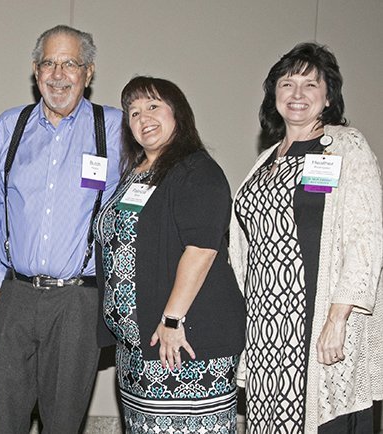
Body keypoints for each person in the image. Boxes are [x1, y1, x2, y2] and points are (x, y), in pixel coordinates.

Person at [0, 25, 122, 432]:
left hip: (78, 301)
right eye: (49, 64)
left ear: (88, 73)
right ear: (35, 71)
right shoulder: (10, 127)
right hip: (15, 296)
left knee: (63, 423)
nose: (58, 74)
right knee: (5, 420)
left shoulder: (116, 129)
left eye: (69, 63)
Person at [230, 42, 383, 433]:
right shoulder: (266, 160)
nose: (297, 94)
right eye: (287, 84)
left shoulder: (344, 146)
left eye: (310, 85)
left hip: (316, 323)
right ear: (273, 94)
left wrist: (338, 317)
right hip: (265, 328)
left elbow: (366, 236)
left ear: (328, 96)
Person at [93, 76, 246, 432]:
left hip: (182, 341)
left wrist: (172, 320)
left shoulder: (197, 170)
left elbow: (202, 249)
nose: (142, 117)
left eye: (153, 106)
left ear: (177, 112)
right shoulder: (135, 175)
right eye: (133, 112)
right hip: (138, 350)